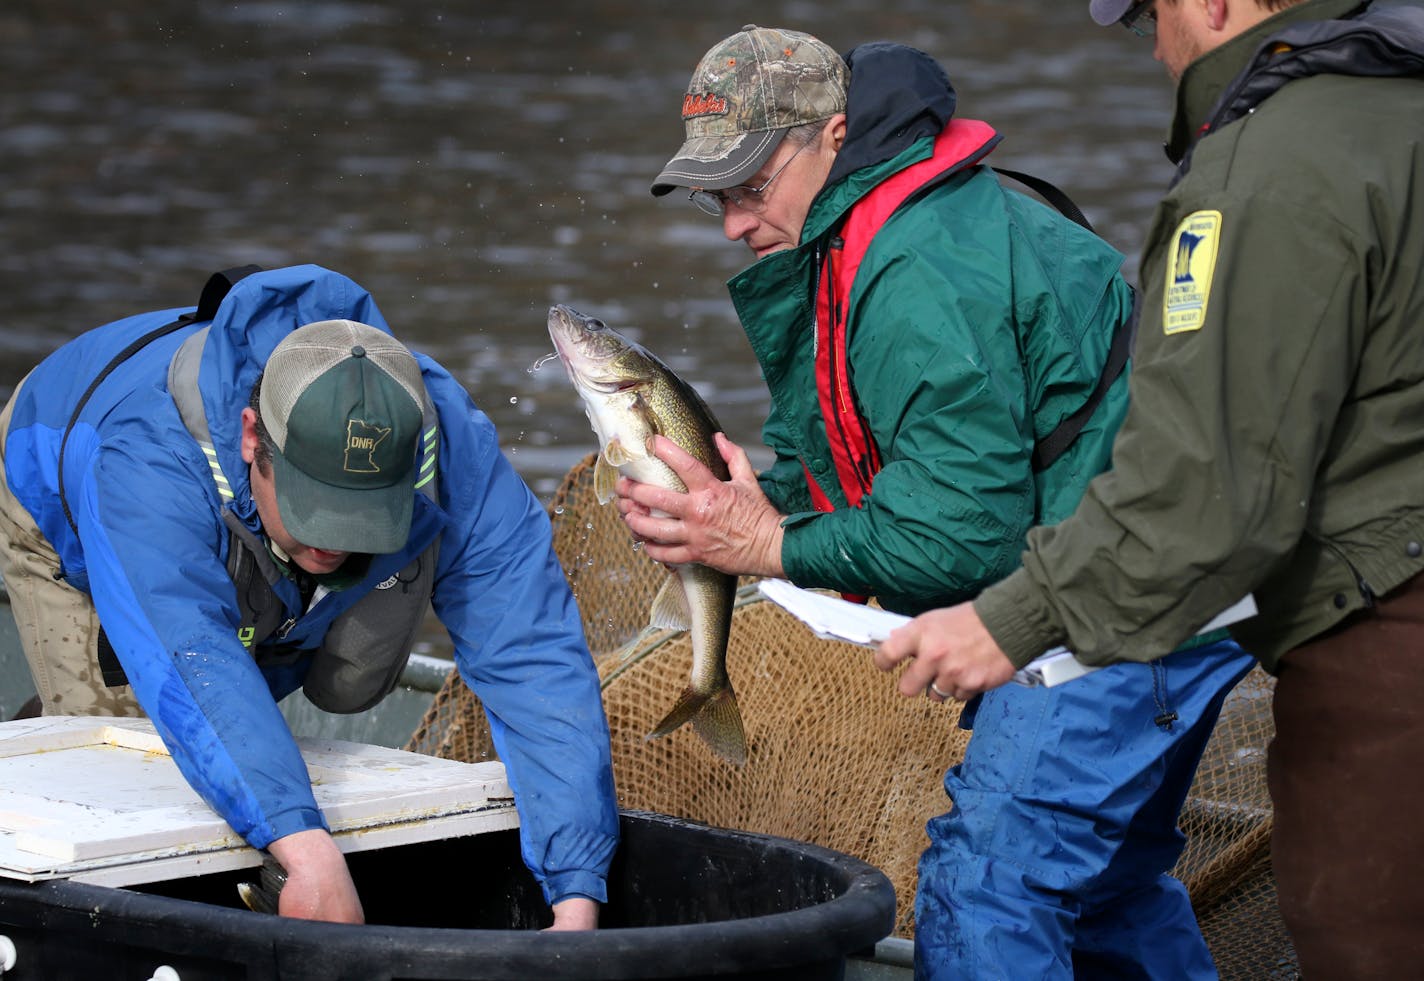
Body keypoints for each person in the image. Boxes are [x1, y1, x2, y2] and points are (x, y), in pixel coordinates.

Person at [618, 25, 1254, 979]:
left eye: (751, 187)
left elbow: (960, 540)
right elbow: (864, 454)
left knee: (985, 885)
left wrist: (768, 544)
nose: (733, 223)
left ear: (832, 138)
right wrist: (753, 503)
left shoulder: (918, 268)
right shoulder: (862, 234)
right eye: (717, 195)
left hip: (1135, 588)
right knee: (1107, 884)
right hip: (1179, 560)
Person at [874, 1, 1424, 976]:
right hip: (1220, 585)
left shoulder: (1271, 158)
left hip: (1346, 626)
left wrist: (1005, 622)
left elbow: (1206, 490)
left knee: (990, 874)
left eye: (1150, 18)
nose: (1158, 48)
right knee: (1113, 876)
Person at [0, 263, 619, 929]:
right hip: (57, 484)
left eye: (361, 521)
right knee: (139, 755)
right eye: (316, 512)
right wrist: (309, 852)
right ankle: (52, 715)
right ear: (249, 438)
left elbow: (528, 651)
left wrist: (575, 896)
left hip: (233, 526)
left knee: (315, 683)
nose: (334, 546)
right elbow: (190, 658)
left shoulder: (441, 437)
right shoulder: (147, 462)